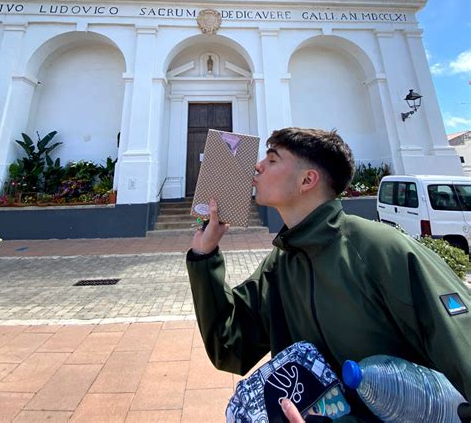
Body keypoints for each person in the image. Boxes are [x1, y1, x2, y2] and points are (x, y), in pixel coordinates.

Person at [186, 128, 471, 421]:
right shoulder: (281, 263)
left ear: (307, 180)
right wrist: (204, 256)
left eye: (272, 160)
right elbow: (231, 346)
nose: (257, 166)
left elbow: (463, 342)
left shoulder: (378, 247)